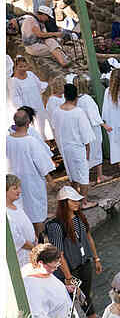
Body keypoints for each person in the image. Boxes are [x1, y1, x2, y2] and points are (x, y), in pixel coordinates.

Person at [43, 187, 102, 318]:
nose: (77, 203)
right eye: (73, 200)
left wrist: (96, 258)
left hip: (84, 263)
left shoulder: (80, 217)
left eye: (78, 200)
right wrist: (68, 277)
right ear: (64, 202)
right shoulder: (56, 226)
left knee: (86, 294)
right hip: (70, 269)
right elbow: (59, 254)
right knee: (70, 298)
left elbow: (89, 237)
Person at [22, 242, 87, 318]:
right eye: (53, 266)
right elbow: (36, 317)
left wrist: (65, 289)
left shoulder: (45, 272)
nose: (56, 268)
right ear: (40, 263)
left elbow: (51, 291)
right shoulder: (32, 286)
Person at [6, 108, 55, 236]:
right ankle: (39, 241)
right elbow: (42, 165)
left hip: (14, 182)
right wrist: (50, 180)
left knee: (22, 209)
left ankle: (30, 238)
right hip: (32, 181)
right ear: (28, 123)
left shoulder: (7, 140)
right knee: (36, 213)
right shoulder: (30, 141)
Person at [52, 83, 95, 205]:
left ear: (64, 96)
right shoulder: (78, 112)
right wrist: (88, 151)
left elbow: (55, 128)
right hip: (77, 147)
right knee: (83, 176)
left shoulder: (57, 111)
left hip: (65, 148)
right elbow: (86, 135)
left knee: (72, 175)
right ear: (76, 97)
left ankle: (74, 201)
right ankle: (84, 202)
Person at [7, 173, 37, 266]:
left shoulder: (17, 205)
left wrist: (34, 238)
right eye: (15, 188)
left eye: (19, 187)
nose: (19, 191)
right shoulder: (6, 213)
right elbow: (17, 239)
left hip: (31, 250)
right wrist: (35, 248)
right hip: (22, 256)